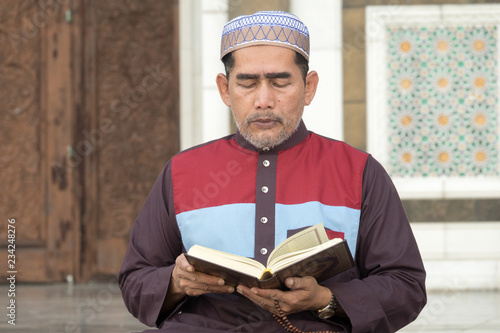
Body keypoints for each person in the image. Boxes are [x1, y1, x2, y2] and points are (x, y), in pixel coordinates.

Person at [119, 11, 426, 333]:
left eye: (280, 82)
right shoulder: (182, 171)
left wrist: (325, 298)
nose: (264, 100)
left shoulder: (358, 171)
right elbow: (135, 280)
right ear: (225, 89)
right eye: (247, 83)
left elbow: (405, 286)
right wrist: (176, 281)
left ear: (308, 87)